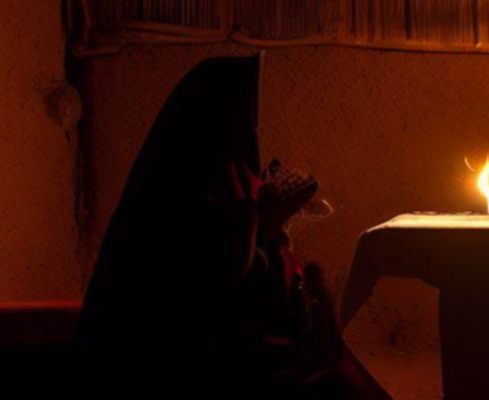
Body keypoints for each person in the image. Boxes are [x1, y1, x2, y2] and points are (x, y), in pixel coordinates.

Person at [77, 55, 389, 399]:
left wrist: (272, 227)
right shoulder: (189, 189)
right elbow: (222, 281)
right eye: (243, 113)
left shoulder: (227, 177)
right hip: (202, 359)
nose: (250, 126)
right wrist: (267, 225)